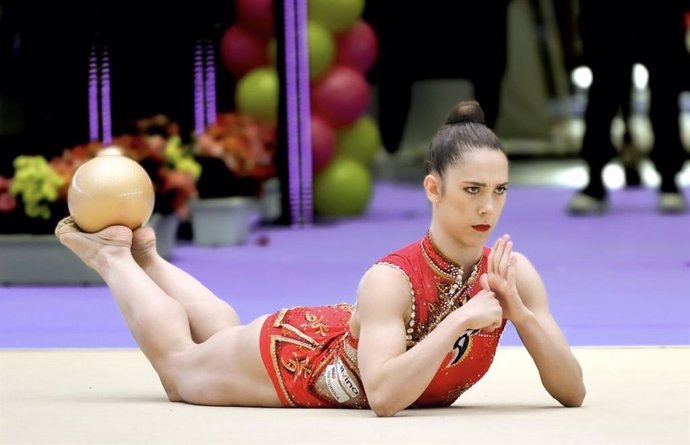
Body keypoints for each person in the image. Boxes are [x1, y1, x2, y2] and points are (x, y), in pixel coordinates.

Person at [55, 100, 586, 416]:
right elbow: (382, 397)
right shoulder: (391, 279)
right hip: (299, 362)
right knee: (180, 370)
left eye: (500, 190)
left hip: (340, 340)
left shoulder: (509, 273)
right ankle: (114, 258)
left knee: (217, 333)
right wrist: (465, 319)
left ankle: (147, 255)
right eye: (472, 189)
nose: (487, 207)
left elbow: (572, 391)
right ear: (433, 188)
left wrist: (519, 312)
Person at [567, 0, 689, 215]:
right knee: (604, 88)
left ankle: (669, 179)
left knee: (665, 88)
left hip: (661, 9)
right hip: (607, 10)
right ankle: (594, 178)